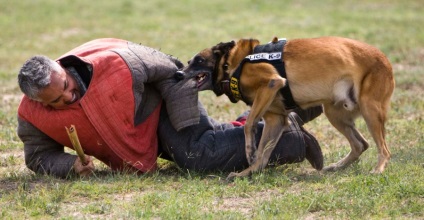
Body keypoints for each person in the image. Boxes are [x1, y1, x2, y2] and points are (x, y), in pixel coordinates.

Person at [17, 38, 324, 178]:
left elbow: (173, 71)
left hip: (163, 103)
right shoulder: (32, 118)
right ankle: (289, 110)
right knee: (213, 140)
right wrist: (68, 166)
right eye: (57, 101)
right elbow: (38, 156)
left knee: (197, 153)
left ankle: (291, 138)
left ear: (62, 68)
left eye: (68, 86)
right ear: (37, 102)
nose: (69, 97)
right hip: (137, 136)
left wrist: (185, 127)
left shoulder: (116, 62)